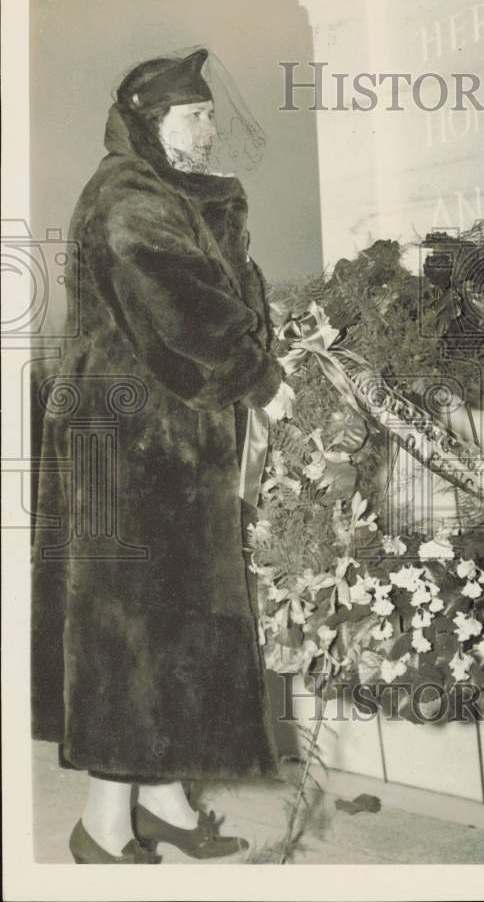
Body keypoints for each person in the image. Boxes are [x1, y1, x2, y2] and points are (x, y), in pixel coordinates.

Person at [31, 48, 294, 863]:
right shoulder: (128, 196)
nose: (211, 127)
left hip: (170, 447)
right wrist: (262, 378)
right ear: (150, 120)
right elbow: (183, 315)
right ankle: (102, 825)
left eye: (210, 112)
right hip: (128, 450)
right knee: (126, 630)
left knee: (173, 623)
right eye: (193, 114)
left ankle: (167, 802)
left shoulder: (172, 193)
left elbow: (226, 296)